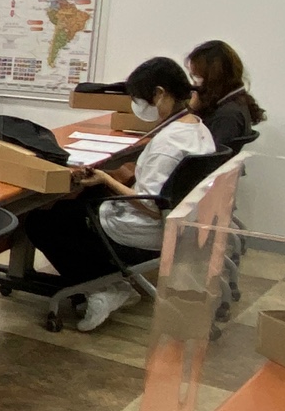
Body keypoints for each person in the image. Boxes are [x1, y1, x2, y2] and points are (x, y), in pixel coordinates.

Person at [26, 57, 216, 332]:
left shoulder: (168, 143)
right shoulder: (198, 128)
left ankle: (104, 290)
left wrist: (105, 178)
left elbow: (151, 206)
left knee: (40, 221)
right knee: (76, 205)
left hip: (146, 229)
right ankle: (109, 282)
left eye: (139, 99)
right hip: (184, 225)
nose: (137, 107)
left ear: (160, 93)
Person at [186, 40, 265, 151]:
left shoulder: (227, 116)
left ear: (213, 78)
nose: (194, 84)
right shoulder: (235, 102)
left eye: (198, 77)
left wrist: (189, 113)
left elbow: (208, 157)